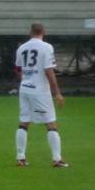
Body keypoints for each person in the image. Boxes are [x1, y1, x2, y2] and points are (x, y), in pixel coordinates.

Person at [15, 21, 67, 167]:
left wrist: (26, 80)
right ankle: (57, 159)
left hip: (24, 88)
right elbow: (49, 71)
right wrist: (57, 93)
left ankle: (20, 157)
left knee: (24, 122)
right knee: (51, 123)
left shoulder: (22, 48)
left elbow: (18, 70)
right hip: (40, 91)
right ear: (44, 32)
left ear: (30, 32)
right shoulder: (46, 47)